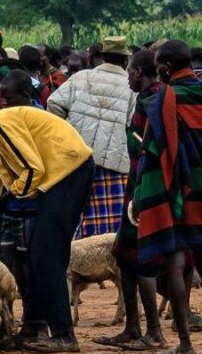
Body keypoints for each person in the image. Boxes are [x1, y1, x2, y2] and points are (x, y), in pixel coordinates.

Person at [0, 87, 93, 352]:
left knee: (46, 255)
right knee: (33, 257)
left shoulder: (1, 123)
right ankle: (32, 326)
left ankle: (64, 335)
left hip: (68, 170)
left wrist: (6, 199)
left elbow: (33, 169)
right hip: (57, 177)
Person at [133, 39, 202, 354]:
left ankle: (187, 344)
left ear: (164, 67)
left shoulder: (166, 97)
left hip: (177, 191)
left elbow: (151, 146)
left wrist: (141, 191)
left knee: (176, 261)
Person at [47, 36, 136, 239]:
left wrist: (65, 135)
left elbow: (53, 104)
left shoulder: (81, 78)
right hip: (115, 165)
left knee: (75, 215)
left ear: (102, 57)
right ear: (125, 60)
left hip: (77, 160)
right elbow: (134, 123)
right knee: (108, 225)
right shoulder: (131, 87)